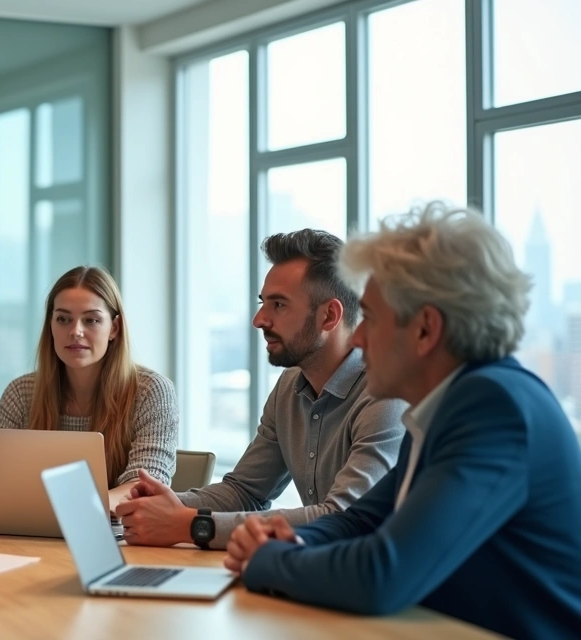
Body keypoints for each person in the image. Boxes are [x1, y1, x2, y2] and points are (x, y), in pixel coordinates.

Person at [229, 203, 581, 639]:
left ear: (425, 330)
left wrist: (266, 559)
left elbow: (382, 574)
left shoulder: (493, 407)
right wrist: (290, 542)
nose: (357, 338)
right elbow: (359, 521)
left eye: (371, 318)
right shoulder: (442, 407)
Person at [117, 230, 405, 549]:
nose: (258, 320)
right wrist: (163, 507)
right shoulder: (289, 386)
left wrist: (192, 525)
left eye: (278, 304)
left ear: (329, 316)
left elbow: (342, 516)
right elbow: (245, 492)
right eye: (262, 303)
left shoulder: (385, 394)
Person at [0, 265, 178, 512]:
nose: (75, 331)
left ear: (114, 328)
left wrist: (72, 507)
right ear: (51, 325)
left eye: (92, 320)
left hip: (122, 540)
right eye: (63, 319)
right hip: (34, 536)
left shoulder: (151, 392)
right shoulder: (22, 393)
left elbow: (143, 488)